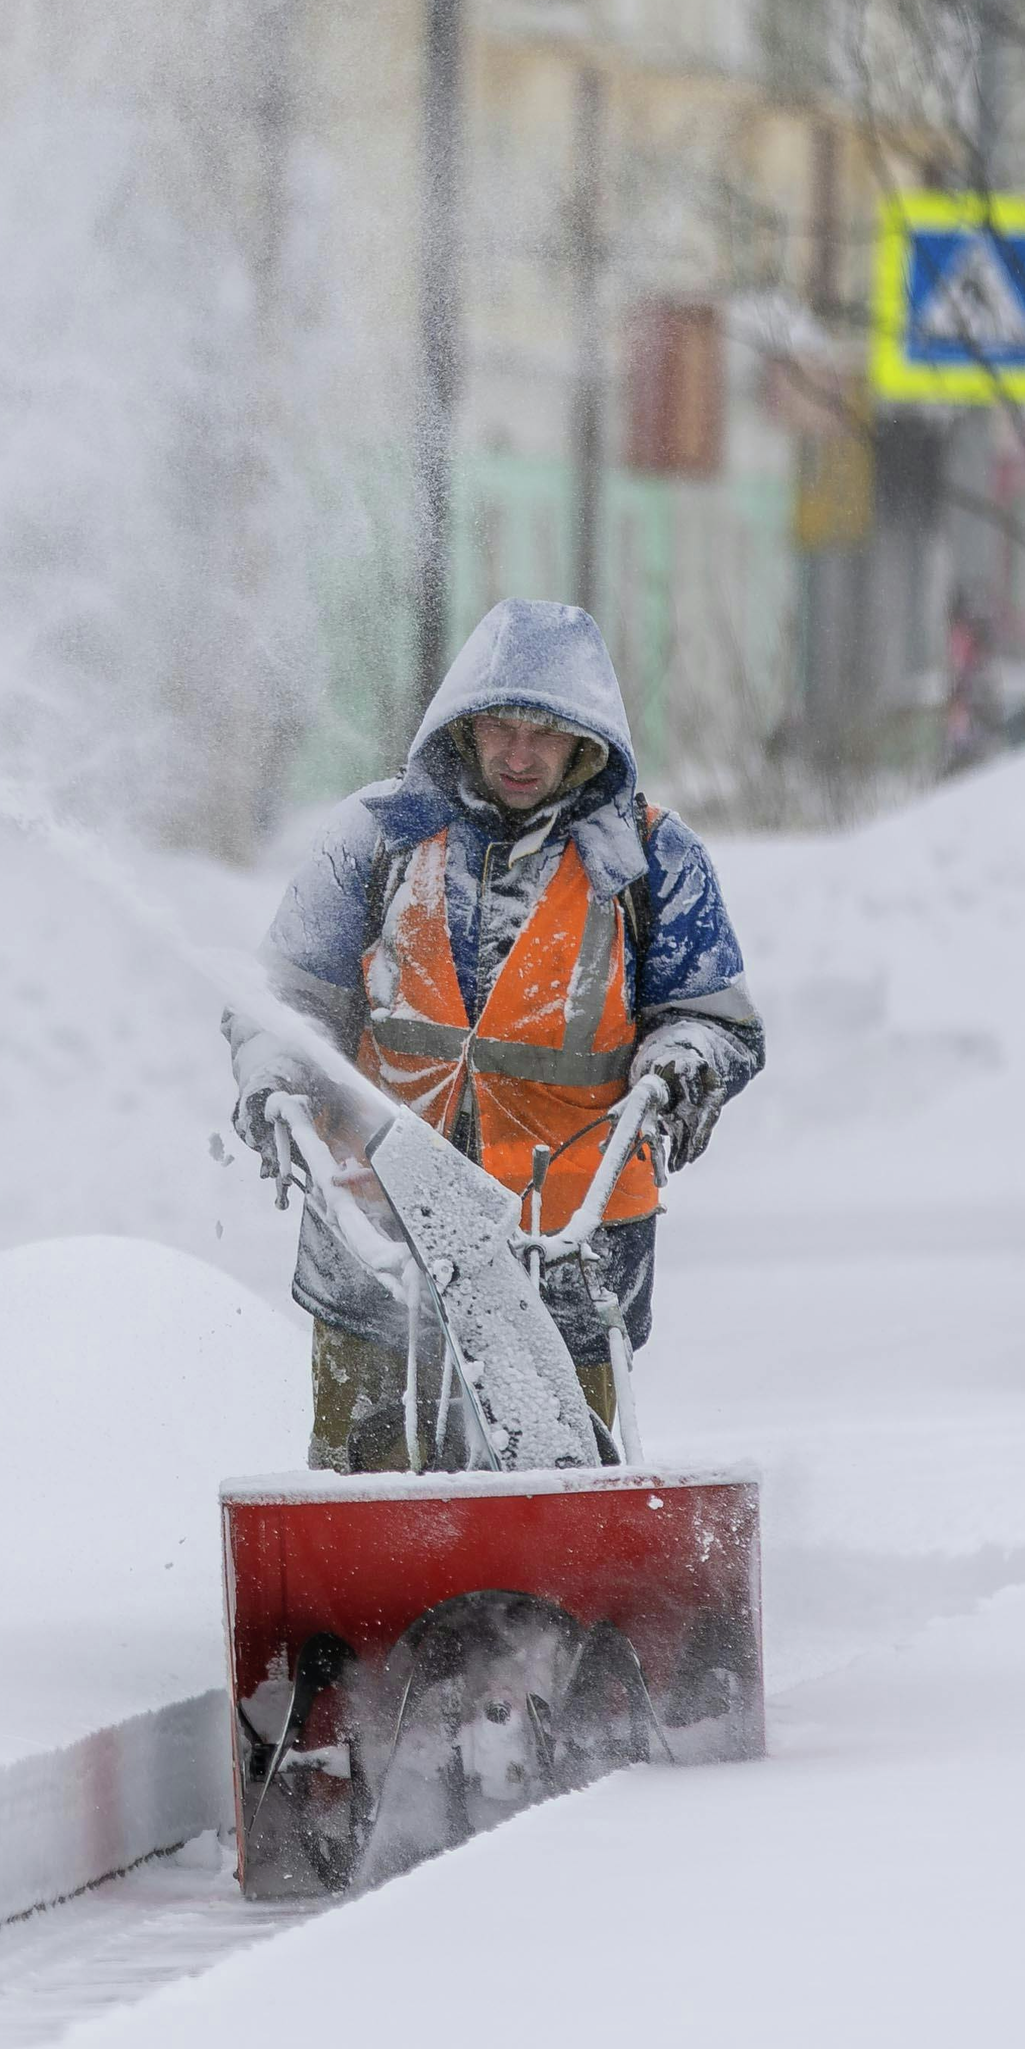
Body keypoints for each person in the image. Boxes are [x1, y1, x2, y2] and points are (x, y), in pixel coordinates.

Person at [229, 599, 764, 1471]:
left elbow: (711, 1015)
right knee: (366, 1471)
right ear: (465, 726)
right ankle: (359, 1604)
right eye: (502, 728)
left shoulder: (650, 861)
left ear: (587, 743)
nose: (520, 755)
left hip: (566, 1240)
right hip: (380, 1222)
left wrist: (683, 1065)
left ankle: (559, 1604)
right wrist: (276, 1073)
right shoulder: (379, 836)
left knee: (560, 1471)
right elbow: (289, 997)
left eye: (545, 734)